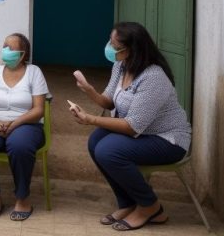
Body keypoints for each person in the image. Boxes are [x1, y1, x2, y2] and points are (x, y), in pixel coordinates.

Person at [69, 22, 192, 231]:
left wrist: (90, 119)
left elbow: (132, 126)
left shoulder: (153, 77)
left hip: (167, 140)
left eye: (115, 46)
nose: (109, 48)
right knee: (95, 141)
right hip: (142, 133)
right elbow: (109, 102)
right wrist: (88, 89)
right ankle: (127, 203)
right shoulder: (121, 65)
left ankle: (150, 206)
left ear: (132, 49)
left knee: (108, 150)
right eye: (110, 41)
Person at [0, 33, 48, 221]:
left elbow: (39, 110)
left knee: (20, 146)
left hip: (26, 124)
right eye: (4, 46)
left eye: (10, 48)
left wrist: (15, 124)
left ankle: (23, 199)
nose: (5, 50)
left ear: (23, 54)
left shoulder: (34, 72)